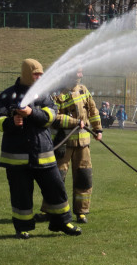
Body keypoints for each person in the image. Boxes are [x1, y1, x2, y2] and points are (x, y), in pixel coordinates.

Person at [0, 59, 82, 239]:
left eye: (41, 73)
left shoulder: (43, 95)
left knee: (56, 188)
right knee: (20, 194)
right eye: (36, 74)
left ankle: (63, 222)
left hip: (43, 154)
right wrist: (10, 122)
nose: (40, 77)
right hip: (16, 157)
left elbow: (52, 115)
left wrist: (32, 113)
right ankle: (22, 228)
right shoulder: (8, 95)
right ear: (26, 74)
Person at [43, 69, 103, 224]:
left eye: (82, 73)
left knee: (84, 177)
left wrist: (98, 129)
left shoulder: (83, 90)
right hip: (63, 143)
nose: (80, 76)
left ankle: (81, 212)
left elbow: (93, 110)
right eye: (78, 73)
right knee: (57, 179)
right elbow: (54, 117)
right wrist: (75, 122)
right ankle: (50, 210)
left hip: (83, 144)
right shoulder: (56, 93)